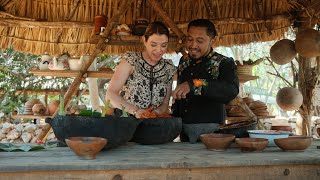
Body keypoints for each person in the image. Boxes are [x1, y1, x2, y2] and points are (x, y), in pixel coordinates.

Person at [171, 19, 239, 142]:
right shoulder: (183, 61)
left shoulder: (224, 62)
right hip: (183, 131)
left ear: (212, 41)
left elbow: (231, 90)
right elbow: (180, 96)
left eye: (200, 41)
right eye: (190, 39)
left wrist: (194, 84)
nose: (193, 45)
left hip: (211, 132)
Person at [106, 21, 176, 118]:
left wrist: (153, 114)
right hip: (126, 121)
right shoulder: (131, 60)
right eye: (153, 45)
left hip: (152, 124)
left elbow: (165, 104)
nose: (159, 50)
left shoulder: (168, 68)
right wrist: (136, 111)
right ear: (144, 40)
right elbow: (110, 94)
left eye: (163, 45)